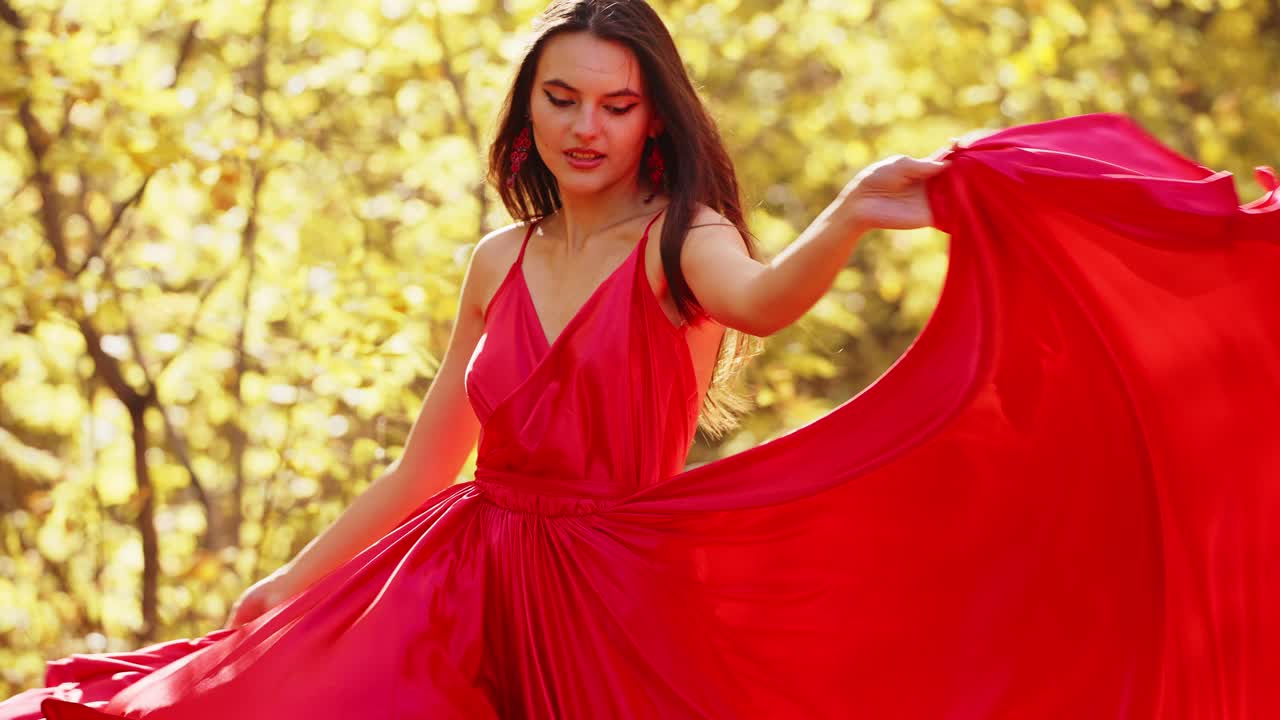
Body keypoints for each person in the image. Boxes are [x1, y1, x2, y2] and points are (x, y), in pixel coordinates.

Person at [6, 1, 1279, 718]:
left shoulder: (686, 242)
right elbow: (424, 466)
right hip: (455, 575)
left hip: (611, 594)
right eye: (562, 99)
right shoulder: (495, 260)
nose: (586, 127)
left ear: (654, 117)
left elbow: (767, 303)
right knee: (237, 702)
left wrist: (843, 213)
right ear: (529, 108)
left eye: (617, 104)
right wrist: (286, 579)